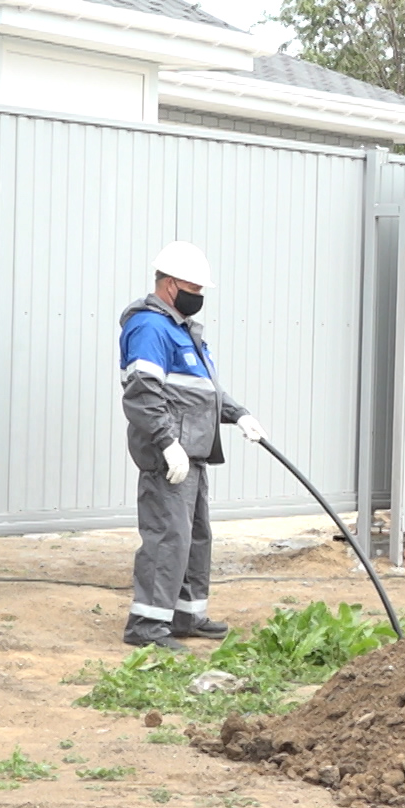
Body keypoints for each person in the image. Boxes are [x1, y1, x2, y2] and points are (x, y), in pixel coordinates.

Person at [117, 242, 264, 650]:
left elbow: (204, 392)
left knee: (195, 537)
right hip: (171, 456)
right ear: (168, 284)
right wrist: (166, 443)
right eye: (192, 288)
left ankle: (185, 614)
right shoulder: (149, 327)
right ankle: (146, 625)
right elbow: (142, 392)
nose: (197, 297)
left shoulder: (182, 330)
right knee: (168, 537)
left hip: (193, 453)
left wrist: (239, 414)